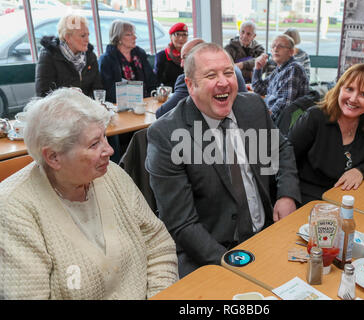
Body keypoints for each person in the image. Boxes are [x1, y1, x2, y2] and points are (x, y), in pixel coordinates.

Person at [0, 88, 178, 299]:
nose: (110, 150)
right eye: (95, 144)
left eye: (104, 137)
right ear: (53, 157)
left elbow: (158, 245)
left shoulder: (111, 174)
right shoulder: (13, 209)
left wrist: (159, 295)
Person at [146, 43, 301, 278]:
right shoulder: (167, 135)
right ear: (190, 85)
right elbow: (182, 225)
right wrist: (234, 265)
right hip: (211, 253)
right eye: (211, 75)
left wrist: (287, 195)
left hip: (267, 234)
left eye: (228, 73)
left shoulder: (253, 106)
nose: (224, 82)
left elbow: (281, 148)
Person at [288, 63, 364, 205]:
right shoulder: (315, 117)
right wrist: (286, 196)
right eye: (349, 89)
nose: (353, 99)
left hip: (350, 195)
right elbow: (285, 158)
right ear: (339, 89)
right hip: (309, 196)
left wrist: (361, 171)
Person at [155, 38, 247, 119]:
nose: (182, 64)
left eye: (185, 58)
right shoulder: (234, 68)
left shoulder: (193, 77)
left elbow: (163, 113)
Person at [35, 14, 103, 98]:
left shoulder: (91, 56)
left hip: (86, 108)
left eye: (88, 35)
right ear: (67, 37)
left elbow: (97, 89)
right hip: (60, 109)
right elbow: (43, 95)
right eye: (83, 36)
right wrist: (68, 94)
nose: (87, 40)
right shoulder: (48, 56)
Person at [252, 34, 309, 123]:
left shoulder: (293, 69)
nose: (275, 49)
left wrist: (264, 119)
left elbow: (285, 104)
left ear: (291, 52)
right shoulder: (280, 69)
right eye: (273, 46)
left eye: (280, 46)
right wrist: (258, 68)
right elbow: (259, 89)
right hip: (272, 118)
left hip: (281, 126)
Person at [99, 20, 158, 103]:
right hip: (121, 105)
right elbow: (108, 91)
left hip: (146, 101)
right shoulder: (107, 59)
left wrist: (154, 96)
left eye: (134, 34)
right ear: (118, 38)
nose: (135, 37)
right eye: (129, 34)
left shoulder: (140, 54)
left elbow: (152, 81)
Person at [155, 22, 188, 90]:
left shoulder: (190, 55)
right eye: (177, 34)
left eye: (184, 35)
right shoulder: (162, 56)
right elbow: (157, 81)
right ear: (170, 37)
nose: (181, 38)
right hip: (169, 92)